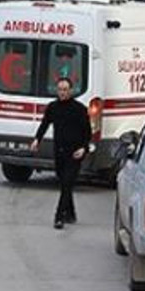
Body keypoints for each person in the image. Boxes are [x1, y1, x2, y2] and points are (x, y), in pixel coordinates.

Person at [29, 77, 91, 229]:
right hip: (59, 151)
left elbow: (87, 132)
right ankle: (71, 212)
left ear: (70, 91)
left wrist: (84, 148)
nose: (62, 93)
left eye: (65, 90)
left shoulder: (79, 109)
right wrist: (37, 139)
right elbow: (44, 124)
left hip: (75, 152)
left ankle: (59, 216)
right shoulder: (53, 107)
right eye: (60, 90)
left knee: (67, 182)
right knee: (64, 183)